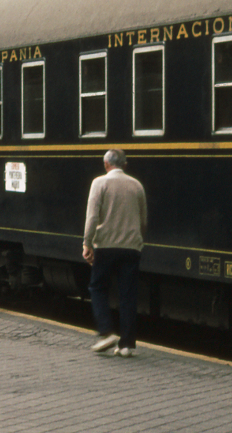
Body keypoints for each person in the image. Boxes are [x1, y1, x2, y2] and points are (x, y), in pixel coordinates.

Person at [82, 149, 147, 357]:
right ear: (125, 166)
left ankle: (106, 332)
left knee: (97, 287)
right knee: (128, 295)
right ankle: (127, 345)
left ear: (105, 164)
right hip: (131, 248)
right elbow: (143, 221)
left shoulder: (99, 183)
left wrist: (87, 243)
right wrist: (137, 241)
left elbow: (92, 217)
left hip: (106, 247)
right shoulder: (137, 185)